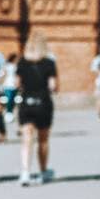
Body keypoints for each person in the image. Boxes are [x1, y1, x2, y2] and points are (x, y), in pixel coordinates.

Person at [16, 32, 58, 186]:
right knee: (43, 140)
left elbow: (16, 84)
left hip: (26, 103)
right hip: (43, 103)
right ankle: (43, 171)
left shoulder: (22, 62)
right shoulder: (49, 63)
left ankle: (25, 172)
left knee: (26, 139)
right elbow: (53, 86)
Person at [1, 52, 19, 123]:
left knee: (13, 100)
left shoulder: (17, 66)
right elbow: (3, 75)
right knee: (9, 99)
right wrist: (1, 84)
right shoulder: (7, 66)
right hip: (7, 84)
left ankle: (10, 112)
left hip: (15, 85)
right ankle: (8, 113)